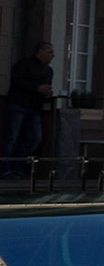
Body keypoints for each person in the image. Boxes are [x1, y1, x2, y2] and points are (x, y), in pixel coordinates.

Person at [4, 41, 54, 179]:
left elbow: (47, 86)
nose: (52, 56)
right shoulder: (24, 64)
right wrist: (36, 88)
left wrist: (47, 93)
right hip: (18, 105)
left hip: (34, 108)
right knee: (11, 138)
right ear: (41, 51)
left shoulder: (48, 71)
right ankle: (5, 169)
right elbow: (17, 81)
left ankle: (18, 167)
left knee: (34, 139)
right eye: (49, 52)